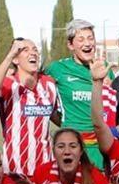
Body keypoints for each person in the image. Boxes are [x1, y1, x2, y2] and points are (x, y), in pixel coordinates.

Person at [0, 37, 58, 177]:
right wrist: (9, 56)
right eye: (25, 50)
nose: (33, 53)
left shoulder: (49, 84)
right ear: (15, 59)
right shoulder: (8, 84)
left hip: (45, 168)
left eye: (35, 50)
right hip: (14, 170)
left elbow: (56, 117)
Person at [47, 19, 109, 169]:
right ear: (70, 45)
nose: (87, 43)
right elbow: (40, 93)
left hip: (101, 145)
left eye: (90, 38)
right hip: (73, 146)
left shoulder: (104, 68)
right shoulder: (57, 68)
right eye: (81, 39)